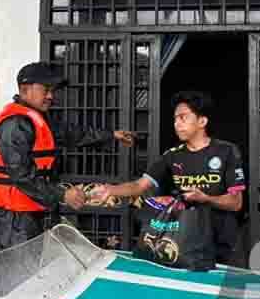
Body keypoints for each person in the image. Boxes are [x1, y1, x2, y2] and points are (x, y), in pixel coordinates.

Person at [0, 61, 136, 253]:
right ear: (24, 89)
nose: (50, 96)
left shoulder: (37, 119)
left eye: (52, 90)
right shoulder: (14, 124)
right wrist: (63, 194)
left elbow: (73, 134)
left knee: (34, 274)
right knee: (15, 276)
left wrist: (111, 135)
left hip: (30, 213)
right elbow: (21, 175)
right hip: (10, 218)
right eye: (46, 90)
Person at [90, 91, 246, 264]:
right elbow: (139, 186)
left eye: (183, 118)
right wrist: (111, 189)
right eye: (175, 119)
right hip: (187, 243)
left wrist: (206, 198)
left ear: (202, 121)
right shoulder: (172, 156)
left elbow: (236, 202)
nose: (177, 124)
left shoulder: (227, 151)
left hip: (222, 241)